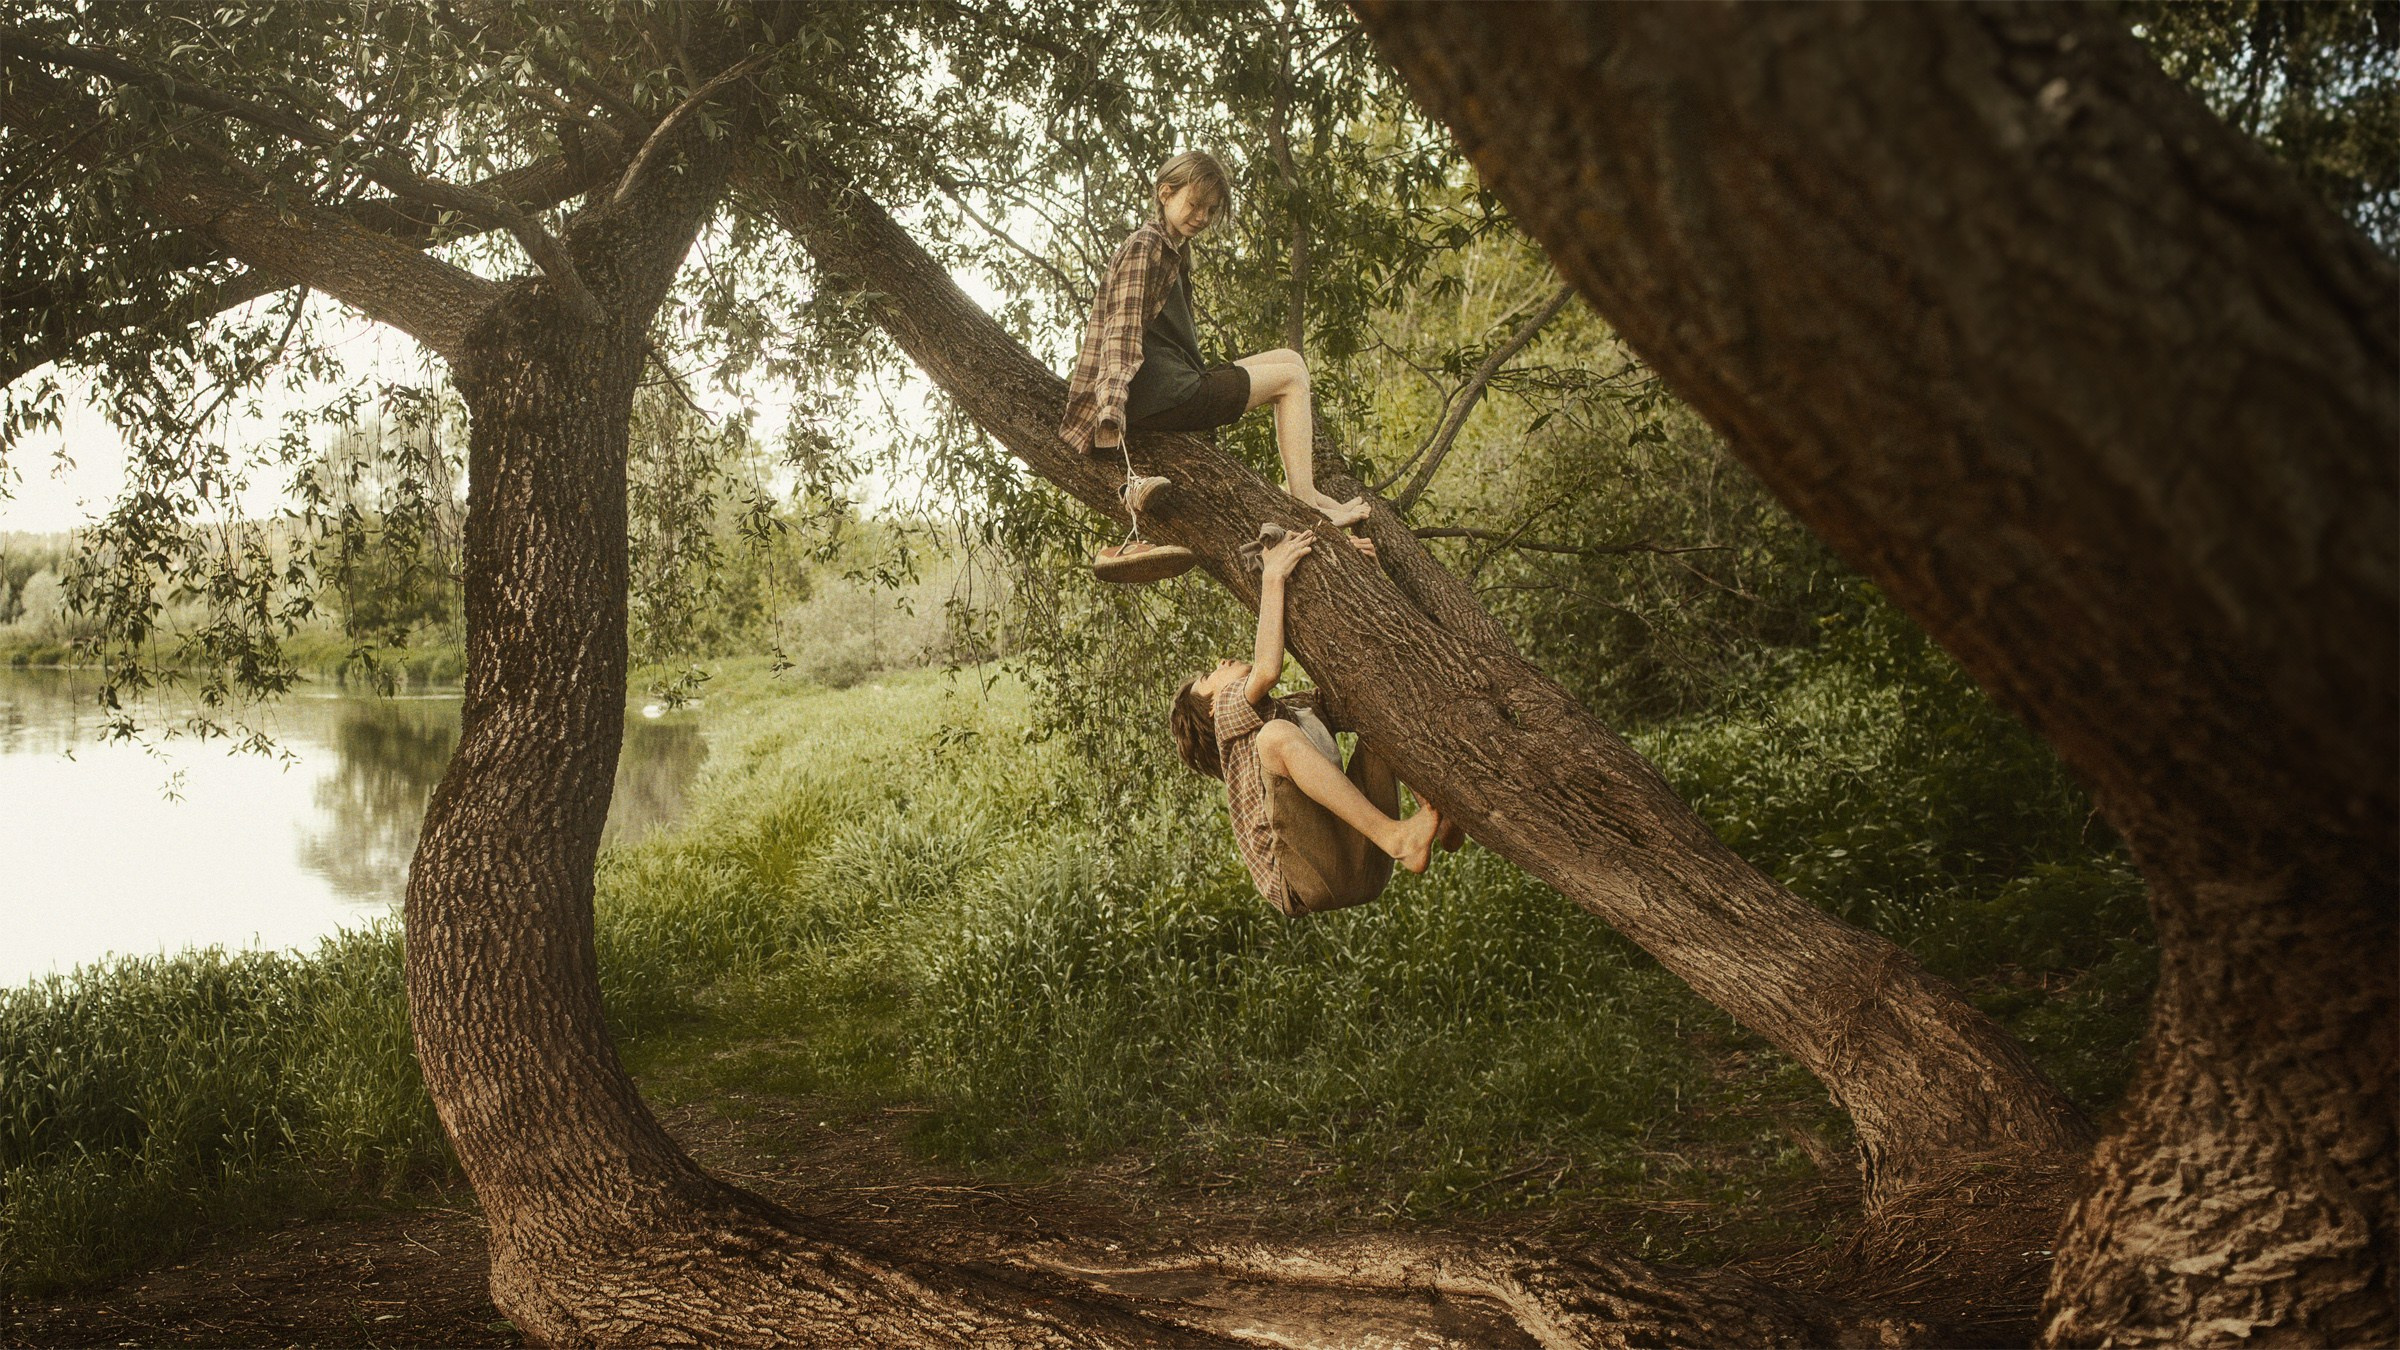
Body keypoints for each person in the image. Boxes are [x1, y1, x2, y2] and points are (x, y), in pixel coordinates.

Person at [1061, 151, 1368, 580]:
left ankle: (1308, 491)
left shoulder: (1171, 251)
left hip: (1175, 385)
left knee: (1289, 360)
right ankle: (1307, 499)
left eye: (1211, 210)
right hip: (1161, 396)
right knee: (1292, 379)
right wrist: (1111, 411)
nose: (1202, 216)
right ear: (1165, 193)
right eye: (1194, 204)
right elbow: (1121, 333)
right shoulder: (1145, 246)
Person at [1168, 529, 1458, 915]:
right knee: (1272, 736)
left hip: (1361, 863)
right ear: (1211, 707)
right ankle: (1398, 837)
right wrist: (1273, 576)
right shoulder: (1228, 722)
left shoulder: (1296, 712)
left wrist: (1362, 570)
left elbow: (1357, 680)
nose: (1220, 664)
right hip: (1306, 880)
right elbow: (1268, 669)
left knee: (1372, 710)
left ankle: (1442, 820)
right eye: (1210, 675)